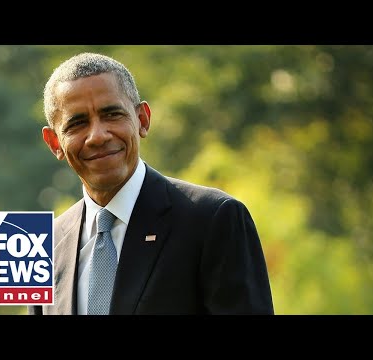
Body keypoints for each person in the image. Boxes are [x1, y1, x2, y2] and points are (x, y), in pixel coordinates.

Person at [28, 52, 275, 315]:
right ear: (55, 143)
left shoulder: (213, 219)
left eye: (111, 114)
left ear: (142, 120)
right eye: (77, 124)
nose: (97, 136)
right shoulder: (43, 247)